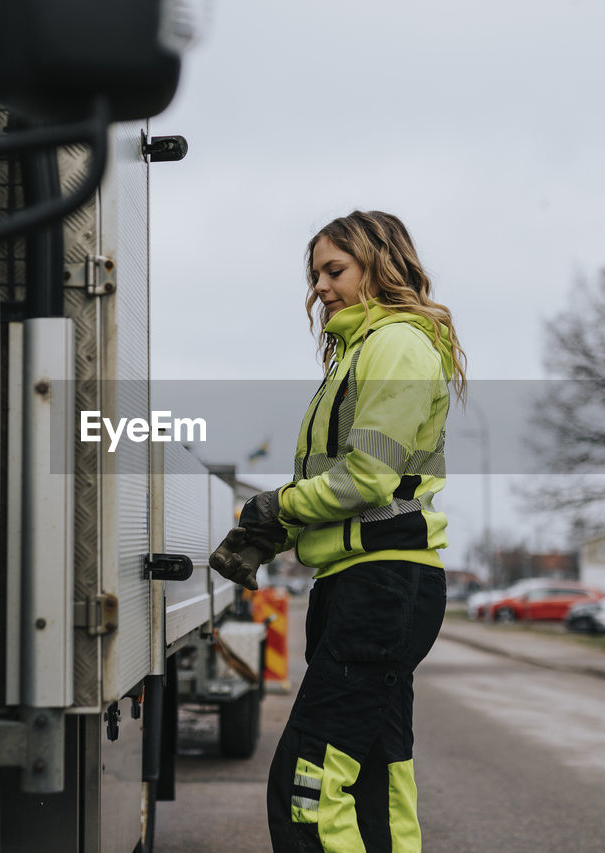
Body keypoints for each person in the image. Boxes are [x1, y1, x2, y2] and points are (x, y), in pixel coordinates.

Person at [210, 210, 467, 852]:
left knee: (307, 782)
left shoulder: (396, 345)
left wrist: (273, 511)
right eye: (315, 273)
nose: (320, 287)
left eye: (335, 270)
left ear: (379, 265)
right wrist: (280, 531)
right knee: (378, 776)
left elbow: (366, 481)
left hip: (380, 585)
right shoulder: (361, 350)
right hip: (363, 580)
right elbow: (351, 491)